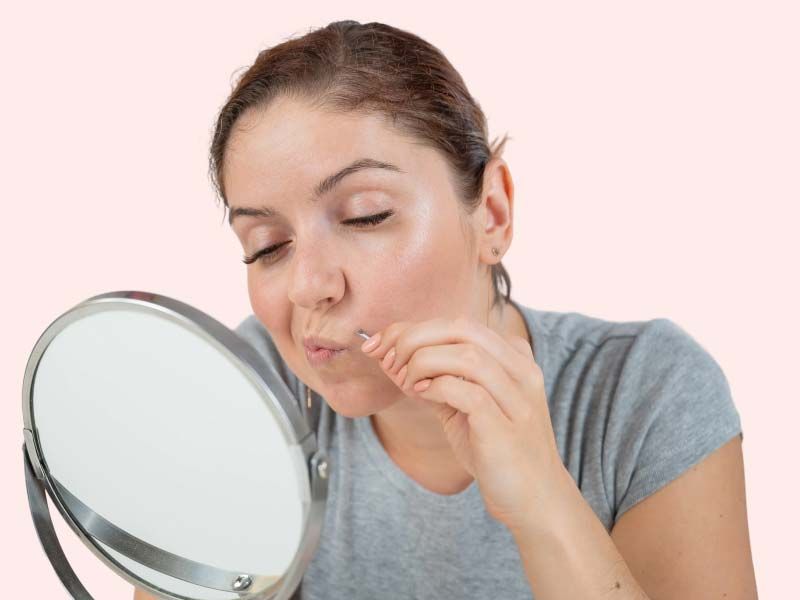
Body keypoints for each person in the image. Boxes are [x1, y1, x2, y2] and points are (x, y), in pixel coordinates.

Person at [135, 19, 757, 600]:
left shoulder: (645, 392)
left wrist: (540, 497)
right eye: (266, 247)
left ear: (491, 213)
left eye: (365, 215)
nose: (308, 285)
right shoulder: (248, 396)